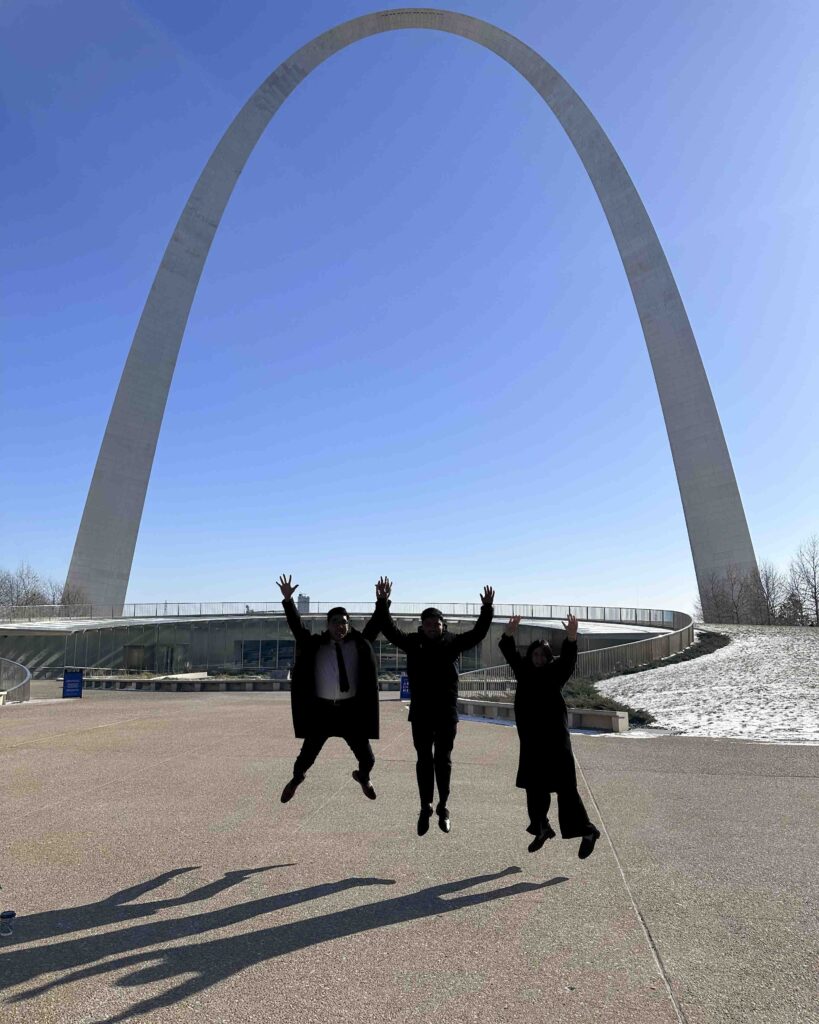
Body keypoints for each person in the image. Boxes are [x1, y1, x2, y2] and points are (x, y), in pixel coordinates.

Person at [375, 579, 494, 835]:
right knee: (423, 760)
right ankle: (425, 806)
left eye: (437, 624)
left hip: (446, 713)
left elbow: (478, 633)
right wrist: (383, 602)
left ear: (443, 627)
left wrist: (486, 608)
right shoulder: (412, 642)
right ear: (422, 626)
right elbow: (389, 628)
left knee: (444, 760)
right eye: (428, 624)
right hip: (421, 713)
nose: (432, 628)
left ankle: (443, 807)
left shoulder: (452, 642)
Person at [276, 574, 390, 804]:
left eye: (344, 622)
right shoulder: (315, 645)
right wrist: (288, 601)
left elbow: (376, 624)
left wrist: (382, 601)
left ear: (349, 624)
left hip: (350, 711)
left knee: (368, 758)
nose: (340, 626)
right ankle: (297, 779)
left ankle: (363, 777)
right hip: (323, 711)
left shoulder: (359, 644)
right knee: (305, 757)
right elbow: (297, 627)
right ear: (328, 625)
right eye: (336, 621)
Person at [498, 613, 600, 858]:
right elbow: (510, 653)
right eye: (535, 654)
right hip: (532, 742)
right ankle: (542, 828)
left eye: (543, 655)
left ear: (548, 658)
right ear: (530, 656)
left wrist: (572, 637)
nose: (539, 658)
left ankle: (587, 831)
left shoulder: (556, 672)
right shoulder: (523, 671)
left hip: (555, 741)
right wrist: (509, 633)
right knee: (534, 787)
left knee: (566, 787)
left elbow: (568, 659)